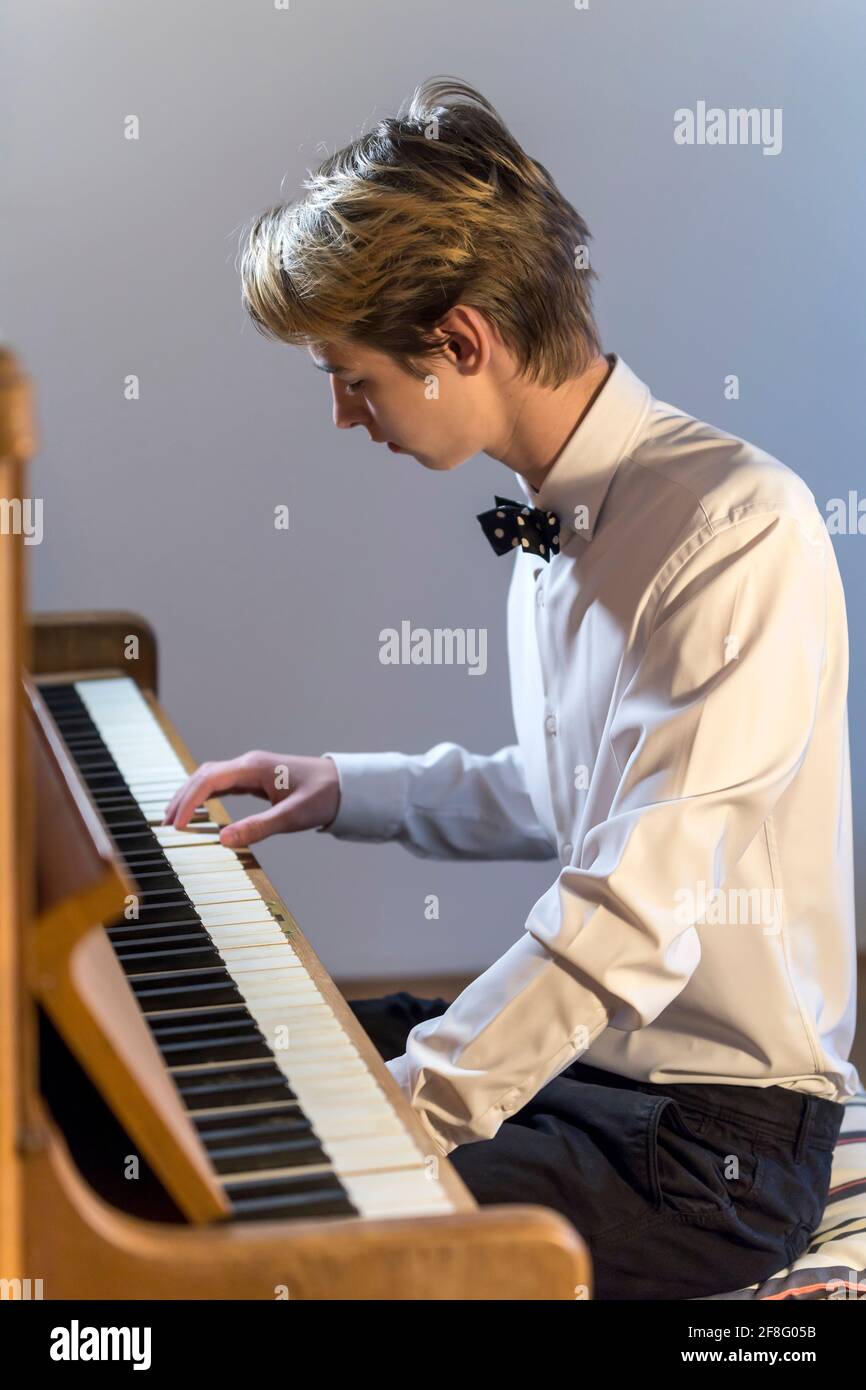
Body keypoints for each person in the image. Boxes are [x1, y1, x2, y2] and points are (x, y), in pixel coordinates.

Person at [162, 77, 860, 1299]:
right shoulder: (552, 528)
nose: (341, 413)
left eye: (352, 374)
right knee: (223, 1075)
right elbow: (569, 795)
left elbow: (628, 916)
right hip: (597, 1074)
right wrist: (341, 788)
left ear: (462, 341)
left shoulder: (737, 526)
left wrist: (398, 1120)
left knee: (290, 1247)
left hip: (713, 1147)